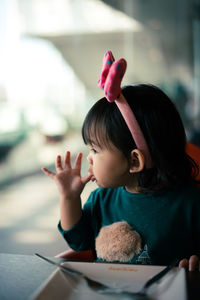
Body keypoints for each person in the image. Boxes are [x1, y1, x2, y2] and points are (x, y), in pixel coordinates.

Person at [42, 51, 200, 271]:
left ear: (135, 161)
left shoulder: (189, 203)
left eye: (95, 150)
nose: (89, 157)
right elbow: (78, 242)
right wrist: (69, 198)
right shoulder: (101, 200)